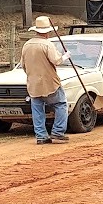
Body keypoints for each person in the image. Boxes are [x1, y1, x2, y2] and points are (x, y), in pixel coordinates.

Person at [20, 16, 70, 144]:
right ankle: (58, 132)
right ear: (47, 32)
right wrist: (65, 56)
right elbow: (56, 60)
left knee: (37, 109)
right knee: (61, 104)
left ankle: (41, 136)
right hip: (50, 83)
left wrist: (32, 75)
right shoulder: (48, 44)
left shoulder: (27, 45)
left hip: (33, 84)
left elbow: (23, 65)